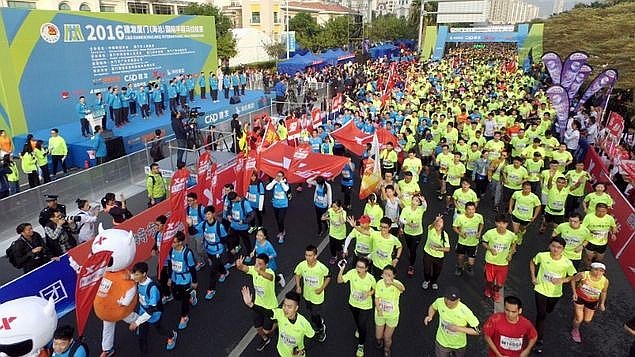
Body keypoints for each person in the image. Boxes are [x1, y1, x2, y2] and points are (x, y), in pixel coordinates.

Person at [529, 236, 577, 353]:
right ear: (549, 246)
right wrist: (533, 277)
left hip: (555, 293)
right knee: (541, 315)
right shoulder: (542, 255)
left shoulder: (567, 263)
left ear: (563, 249)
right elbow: (532, 262)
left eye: (559, 247)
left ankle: (546, 312)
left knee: (549, 310)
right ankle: (539, 340)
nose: (556, 249)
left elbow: (573, 276)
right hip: (540, 289)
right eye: (554, 246)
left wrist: (562, 280)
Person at [241, 287, 315, 357]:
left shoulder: (303, 323)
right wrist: (251, 305)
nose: (285, 309)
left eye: (289, 307)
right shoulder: (280, 314)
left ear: (296, 308)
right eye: (284, 305)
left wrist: (302, 351)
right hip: (281, 352)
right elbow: (267, 312)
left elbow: (312, 338)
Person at [129, 262, 178, 353]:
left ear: (144, 274)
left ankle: (171, 335)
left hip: (154, 313)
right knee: (142, 336)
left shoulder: (152, 289)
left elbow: (151, 310)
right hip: (143, 311)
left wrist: (137, 322)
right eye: (134, 274)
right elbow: (130, 276)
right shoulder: (138, 279)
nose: (134, 277)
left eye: (136, 275)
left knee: (159, 329)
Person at [235, 254, 277, 351]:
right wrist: (239, 265)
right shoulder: (254, 270)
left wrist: (259, 271)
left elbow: (270, 277)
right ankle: (265, 339)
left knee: (266, 330)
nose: (257, 265)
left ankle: (277, 322)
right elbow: (243, 268)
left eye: (260, 263)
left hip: (270, 307)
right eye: (256, 262)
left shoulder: (270, 272)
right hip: (257, 305)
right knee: (258, 327)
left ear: (266, 265)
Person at [423, 287, 480, 357]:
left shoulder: (465, 311)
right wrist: (430, 316)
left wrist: (457, 328)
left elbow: (477, 331)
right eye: (446, 298)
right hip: (442, 342)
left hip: (459, 344)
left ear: (458, 300)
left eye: (452, 300)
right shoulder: (440, 301)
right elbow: (433, 307)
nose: (448, 302)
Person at [337, 256, 376, 357]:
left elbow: (375, 289)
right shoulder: (352, 272)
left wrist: (368, 294)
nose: (358, 269)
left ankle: (361, 345)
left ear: (367, 268)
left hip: (365, 306)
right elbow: (339, 281)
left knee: (362, 325)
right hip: (353, 304)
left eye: (362, 267)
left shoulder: (371, 278)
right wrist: (341, 270)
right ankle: (358, 329)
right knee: (357, 321)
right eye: (357, 266)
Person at [188, 205, 229, 300]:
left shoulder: (220, 226)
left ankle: (211, 289)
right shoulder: (203, 224)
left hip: (218, 250)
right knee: (216, 264)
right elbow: (193, 231)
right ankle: (224, 272)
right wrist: (190, 225)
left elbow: (225, 238)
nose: (207, 216)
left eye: (209, 214)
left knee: (213, 271)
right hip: (209, 250)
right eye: (205, 214)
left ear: (213, 214)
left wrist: (226, 248)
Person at [294, 244, 331, 344]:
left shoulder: (321, 267)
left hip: (317, 297)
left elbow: (328, 277)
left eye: (310, 255)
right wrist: (298, 286)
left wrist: (321, 288)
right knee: (311, 312)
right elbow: (297, 274)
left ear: (315, 256)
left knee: (314, 315)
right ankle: (318, 320)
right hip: (307, 295)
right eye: (306, 255)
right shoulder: (302, 265)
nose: (307, 257)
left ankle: (321, 328)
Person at [166, 231, 198, 330]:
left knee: (184, 300)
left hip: (186, 279)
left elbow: (192, 268)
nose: (172, 244)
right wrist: (170, 277)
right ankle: (191, 294)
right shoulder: (171, 251)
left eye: (174, 242)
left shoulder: (187, 253)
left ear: (180, 242)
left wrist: (194, 281)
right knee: (176, 297)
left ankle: (184, 317)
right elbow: (171, 265)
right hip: (176, 278)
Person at [482, 214, 517, 303]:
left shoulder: (511, 235)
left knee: (500, 284)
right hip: (490, 261)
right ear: (495, 223)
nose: (501, 225)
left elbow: (514, 244)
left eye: (504, 223)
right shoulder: (490, 233)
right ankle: (488, 288)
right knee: (489, 280)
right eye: (499, 223)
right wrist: (490, 249)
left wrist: (510, 254)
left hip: (503, 263)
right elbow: (484, 242)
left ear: (507, 224)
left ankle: (496, 292)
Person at [570, 262, 609, 343]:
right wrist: (574, 293)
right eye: (596, 270)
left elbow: (604, 292)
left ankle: (581, 315)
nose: (598, 272)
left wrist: (602, 303)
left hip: (592, 301)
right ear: (591, 269)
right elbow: (573, 280)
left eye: (601, 271)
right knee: (579, 318)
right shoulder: (583, 275)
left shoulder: (605, 281)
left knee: (587, 320)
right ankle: (575, 330)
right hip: (580, 298)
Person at [374, 265, 405, 357]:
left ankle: (387, 349)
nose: (386, 276)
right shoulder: (379, 283)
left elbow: (402, 289)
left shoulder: (396, 284)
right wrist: (378, 309)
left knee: (387, 338)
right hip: (380, 314)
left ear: (393, 276)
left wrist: (392, 283)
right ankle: (379, 342)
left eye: (389, 275)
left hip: (392, 316)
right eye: (384, 274)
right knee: (378, 336)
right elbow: (376, 298)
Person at [452, 201, 484, 277]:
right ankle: (459, 267)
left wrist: (479, 232)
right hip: (462, 242)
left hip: (473, 243)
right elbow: (454, 227)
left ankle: (468, 266)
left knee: (471, 262)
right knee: (460, 257)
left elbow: (482, 224)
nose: (471, 211)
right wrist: (460, 233)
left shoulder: (479, 217)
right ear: (465, 210)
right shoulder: (460, 218)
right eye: (469, 209)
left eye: (473, 209)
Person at [399, 194, 426, 277]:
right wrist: (408, 224)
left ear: (419, 203)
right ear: (411, 200)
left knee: (413, 249)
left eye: (417, 201)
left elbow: (425, 206)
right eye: (414, 200)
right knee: (409, 246)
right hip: (407, 232)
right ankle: (411, 253)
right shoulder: (406, 209)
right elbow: (401, 219)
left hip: (418, 233)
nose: (415, 202)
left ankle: (411, 265)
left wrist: (423, 200)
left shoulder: (420, 209)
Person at [422, 215, 451, 290]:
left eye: (441, 222)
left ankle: (434, 281)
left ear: (443, 225)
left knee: (437, 272)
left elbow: (447, 249)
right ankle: (427, 280)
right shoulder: (431, 229)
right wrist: (436, 219)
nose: (438, 224)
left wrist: (437, 249)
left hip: (439, 257)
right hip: (428, 253)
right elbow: (432, 225)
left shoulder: (445, 235)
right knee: (426, 269)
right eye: (437, 222)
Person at [509, 181, 541, 245]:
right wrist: (510, 207)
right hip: (516, 215)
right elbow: (512, 198)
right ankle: (514, 243)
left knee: (522, 229)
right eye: (526, 189)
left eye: (529, 189)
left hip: (526, 218)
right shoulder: (517, 193)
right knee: (515, 231)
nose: (527, 190)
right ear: (522, 188)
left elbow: (538, 206)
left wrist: (534, 216)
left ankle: (521, 234)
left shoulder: (534, 197)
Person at [266, 171, 290, 243]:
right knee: (277, 219)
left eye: (280, 176)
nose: (278, 177)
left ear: (283, 177)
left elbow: (286, 189)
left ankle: (281, 234)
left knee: (280, 219)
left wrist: (282, 182)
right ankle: (282, 230)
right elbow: (267, 188)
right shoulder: (275, 182)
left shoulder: (285, 183)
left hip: (283, 205)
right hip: (275, 204)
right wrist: (274, 181)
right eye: (277, 176)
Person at [185, 192, 207, 270]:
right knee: (193, 249)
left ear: (195, 200)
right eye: (188, 201)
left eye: (190, 201)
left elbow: (206, 220)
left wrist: (197, 227)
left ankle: (207, 257)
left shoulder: (201, 209)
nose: (189, 203)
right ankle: (200, 262)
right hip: (191, 232)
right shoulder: (188, 209)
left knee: (200, 250)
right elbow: (187, 218)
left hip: (199, 233)